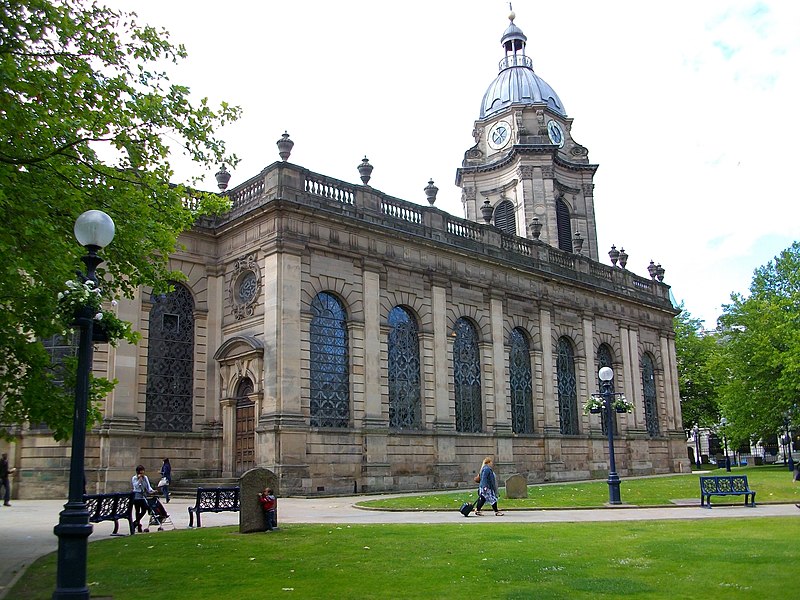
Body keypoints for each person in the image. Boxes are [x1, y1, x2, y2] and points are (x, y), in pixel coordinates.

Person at [131, 465, 156, 533]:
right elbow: (135, 486)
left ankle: (135, 523)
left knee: (145, 509)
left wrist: (152, 490)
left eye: (143, 473)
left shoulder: (145, 478)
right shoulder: (134, 478)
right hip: (136, 496)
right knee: (137, 510)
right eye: (140, 473)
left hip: (142, 496)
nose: (142, 474)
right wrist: (139, 480)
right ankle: (138, 525)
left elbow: (148, 486)